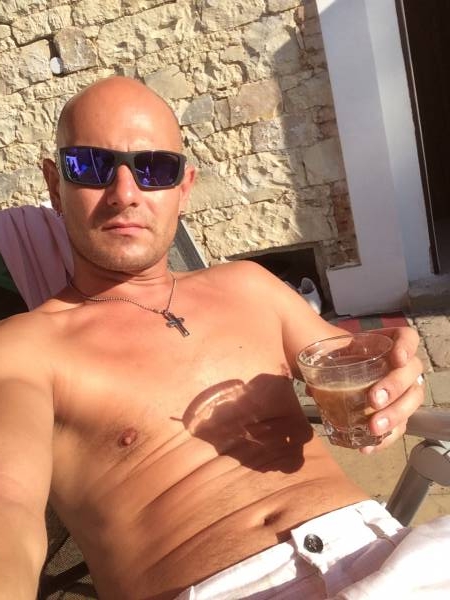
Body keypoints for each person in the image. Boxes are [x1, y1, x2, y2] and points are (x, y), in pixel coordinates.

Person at [0, 76, 425, 600]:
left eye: (154, 169)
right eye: (90, 166)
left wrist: (396, 376)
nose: (125, 194)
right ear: (54, 184)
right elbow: (9, 508)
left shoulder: (248, 285)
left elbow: (352, 364)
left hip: (384, 558)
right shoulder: (24, 349)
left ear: (183, 188)